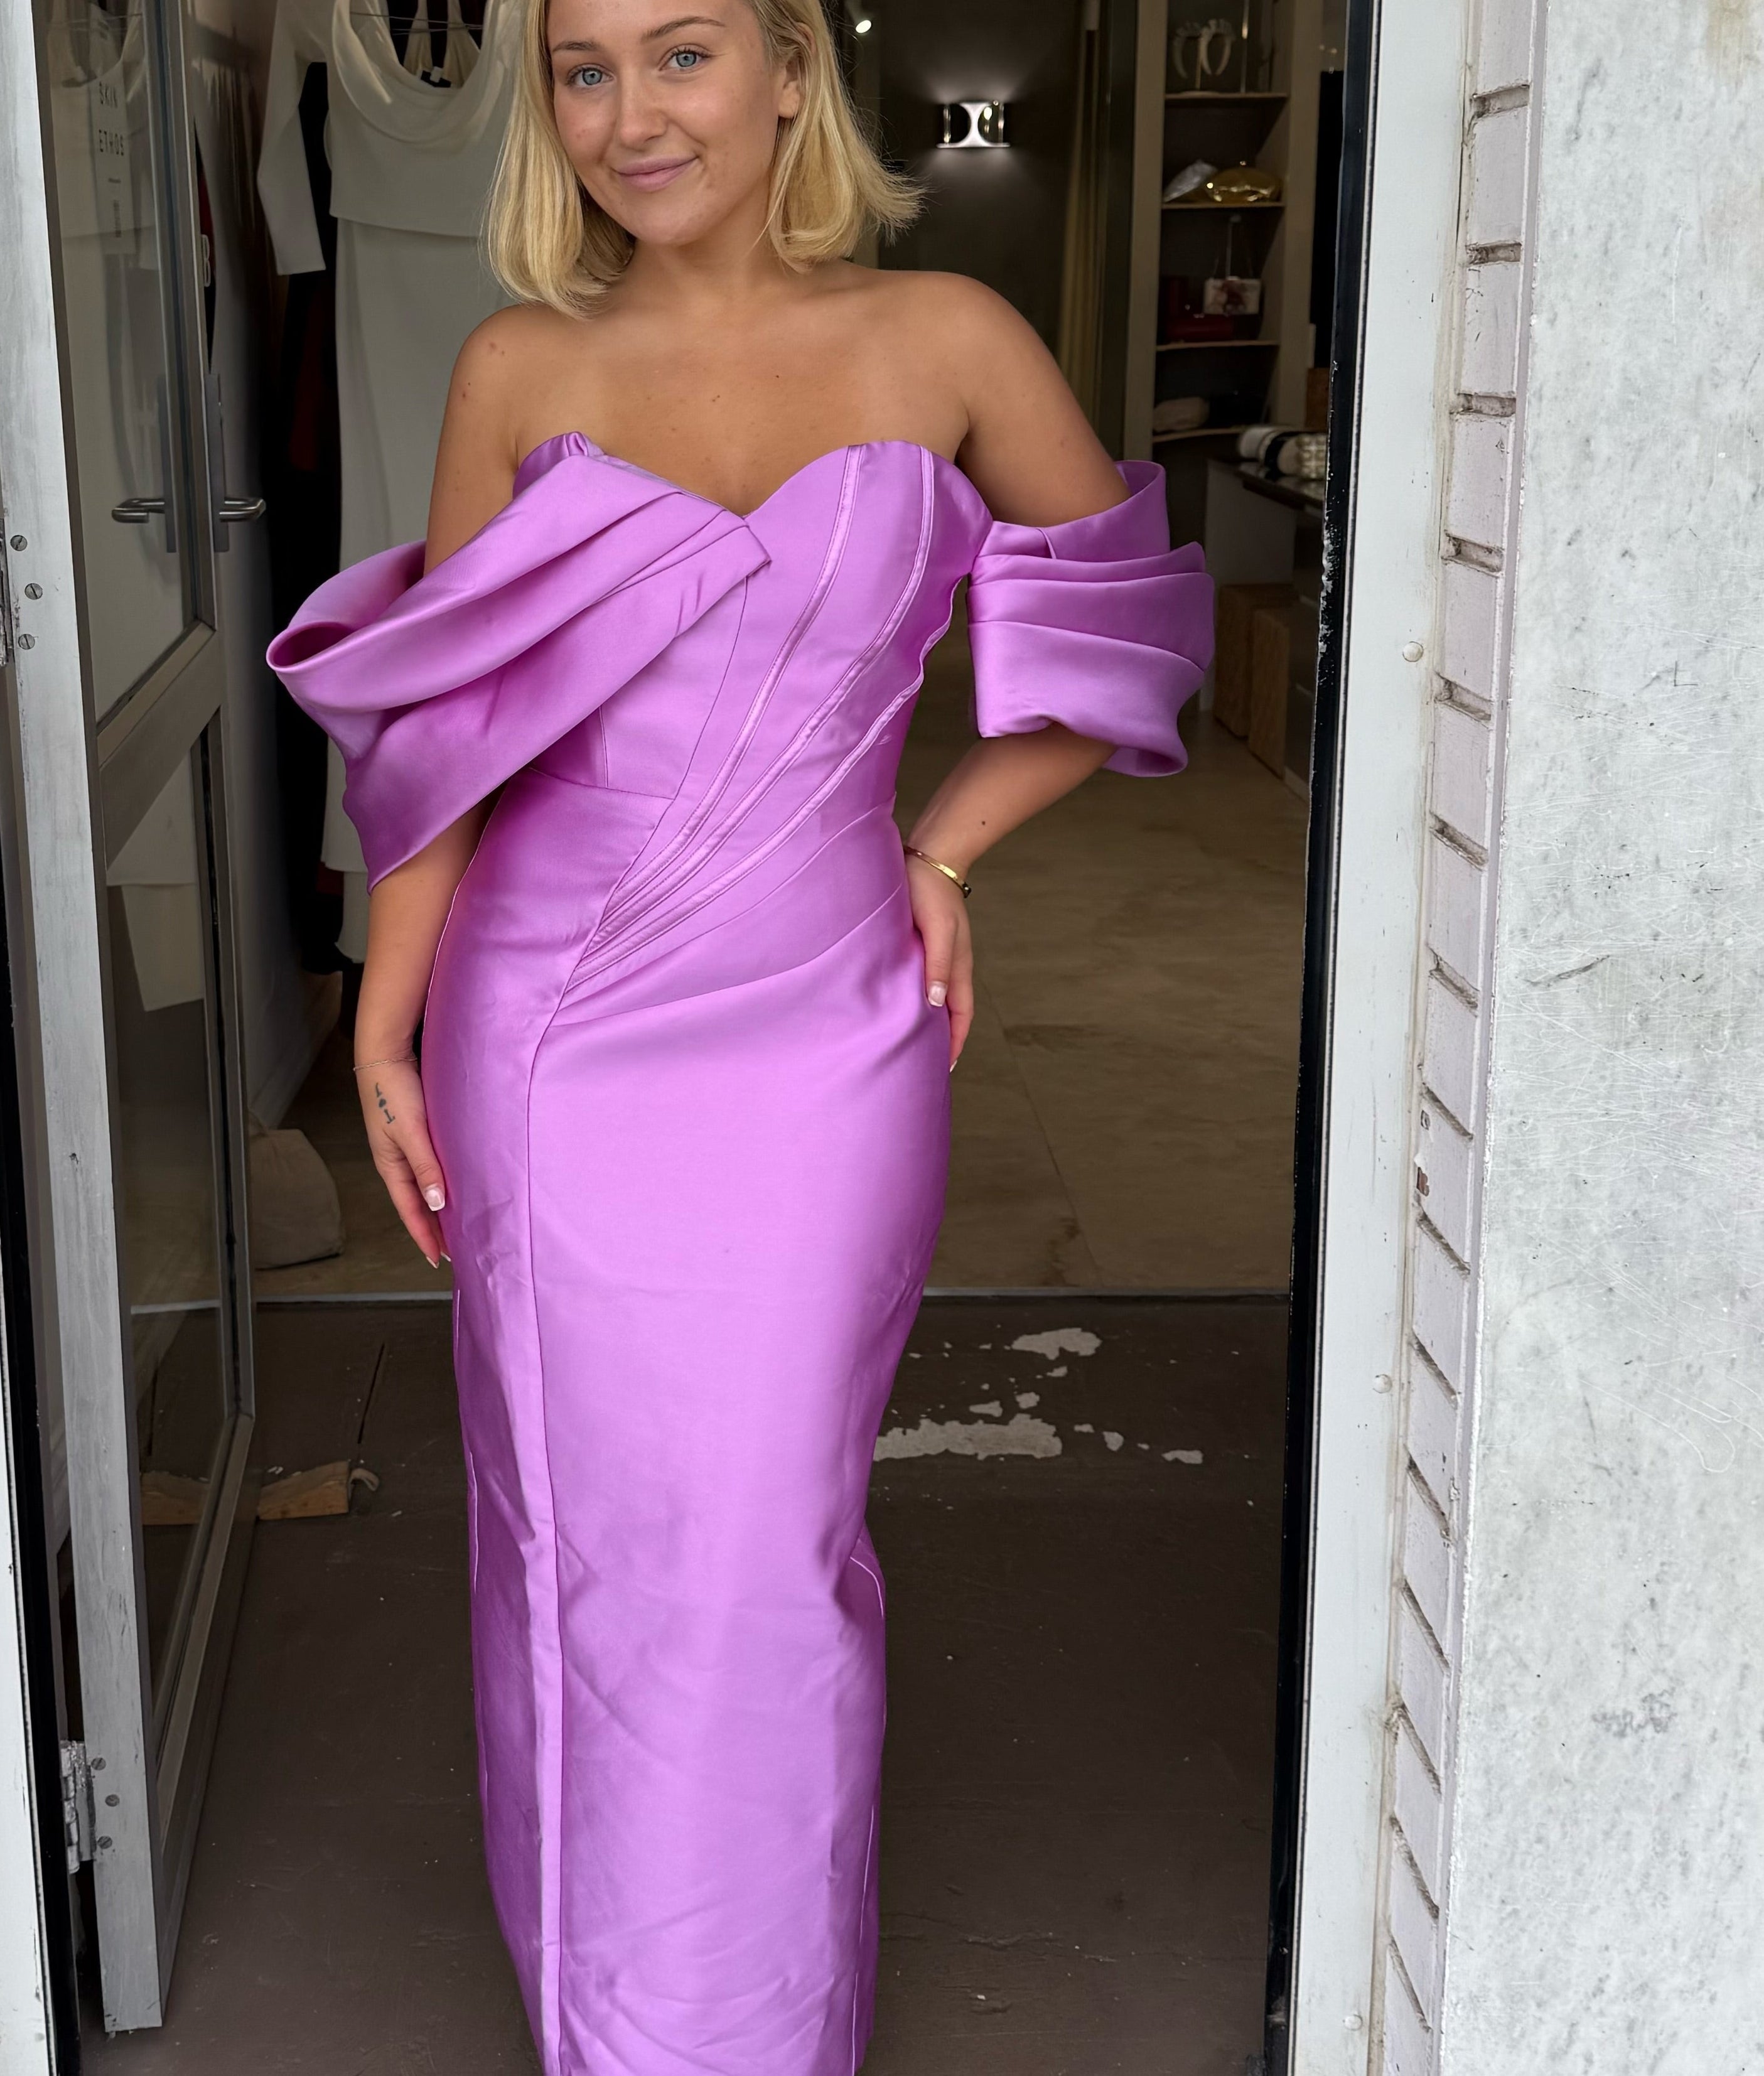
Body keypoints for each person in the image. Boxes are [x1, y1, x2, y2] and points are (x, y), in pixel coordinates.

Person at [268, 1, 1212, 2067]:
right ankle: (618, 2020)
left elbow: (1128, 626)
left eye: (679, 54)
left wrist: (941, 843)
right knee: (579, 1539)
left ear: (791, 68)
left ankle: (754, 2024)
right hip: (549, 1034)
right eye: (583, 69)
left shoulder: (946, 337)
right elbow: (443, 738)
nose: (630, 114)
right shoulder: (520, 367)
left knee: (767, 1552)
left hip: (820, 1036)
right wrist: (386, 1024)